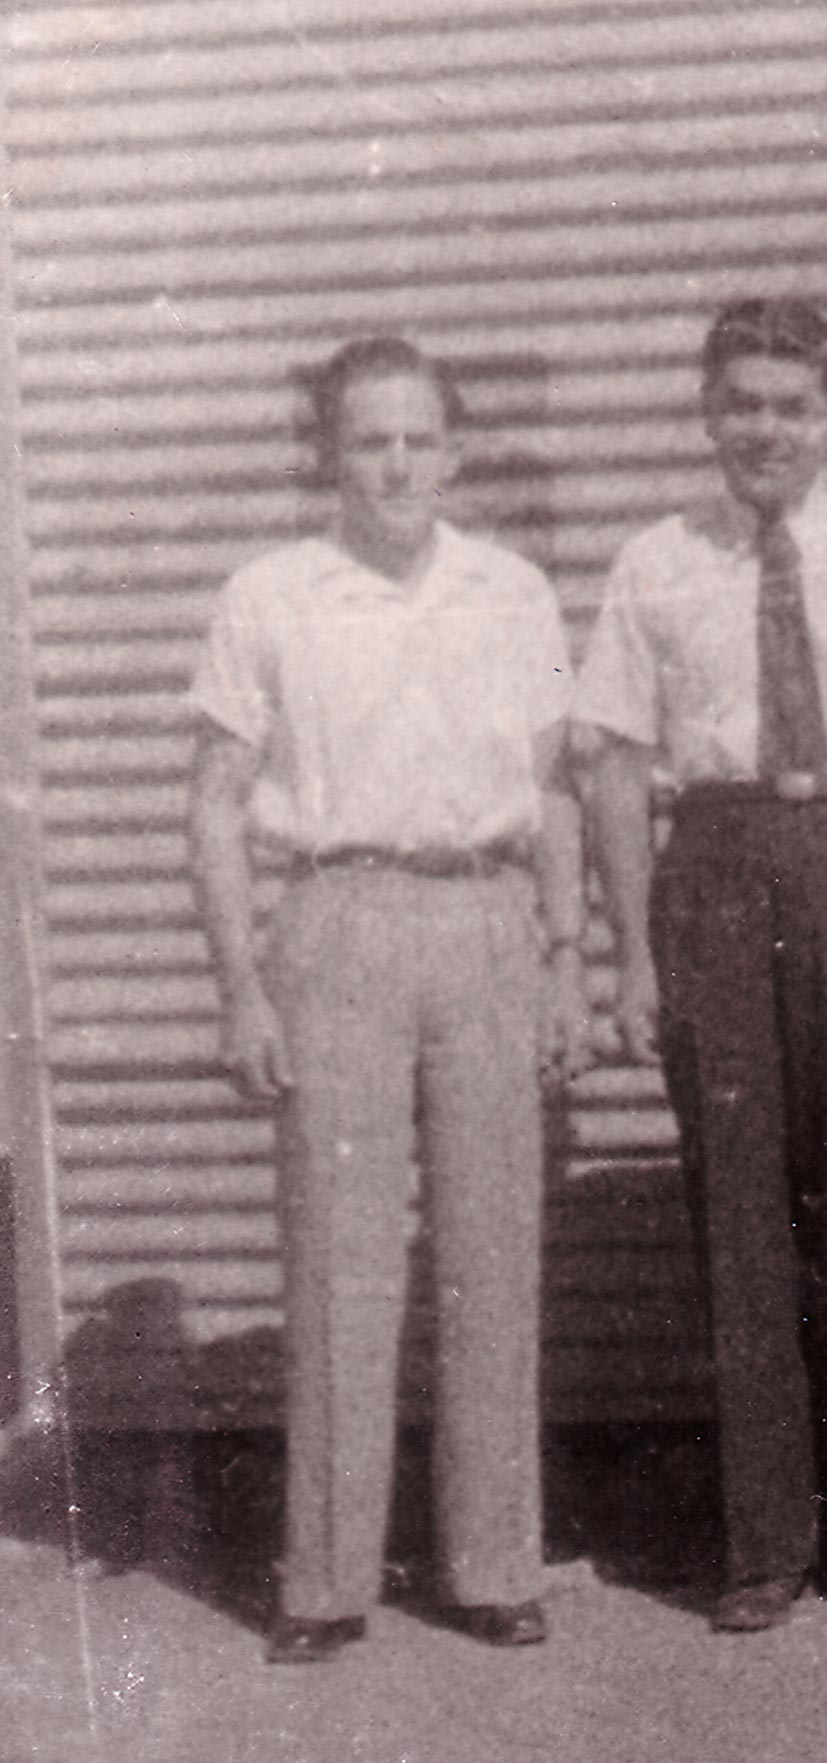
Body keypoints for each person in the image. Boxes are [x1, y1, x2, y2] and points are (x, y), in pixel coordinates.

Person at [190, 336, 589, 1665]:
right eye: (370, 440)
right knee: (337, 1259)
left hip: (482, 911)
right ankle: (323, 1579)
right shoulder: (271, 596)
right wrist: (241, 985)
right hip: (337, 916)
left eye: (419, 438)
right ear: (329, 455)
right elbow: (212, 805)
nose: (397, 464)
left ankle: (493, 1562)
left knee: (491, 1257)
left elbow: (555, 792)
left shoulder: (512, 591)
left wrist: (561, 962)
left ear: (455, 453)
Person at [575, 298, 827, 1634]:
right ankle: (763, 1546)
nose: (764, 430)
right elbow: (613, 762)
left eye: (790, 406)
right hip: (714, 863)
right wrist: (630, 958)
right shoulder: (653, 561)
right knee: (738, 1214)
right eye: (741, 404)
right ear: (707, 412)